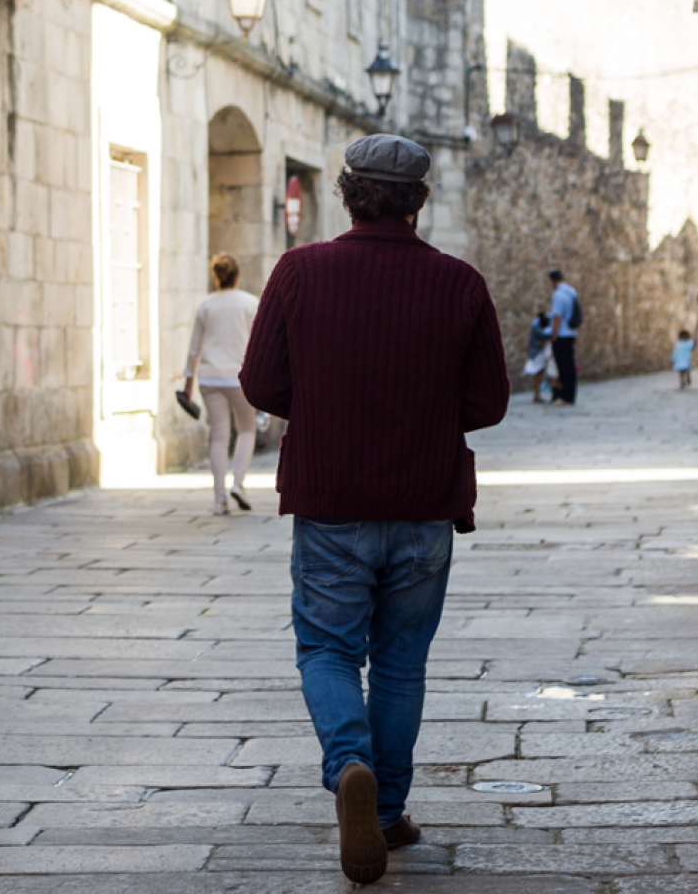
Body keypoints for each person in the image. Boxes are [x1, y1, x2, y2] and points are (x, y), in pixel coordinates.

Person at [240, 134, 509, 884]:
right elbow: (489, 402)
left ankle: (348, 763)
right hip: (424, 503)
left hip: (331, 500)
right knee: (399, 662)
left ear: (345, 194)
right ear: (420, 201)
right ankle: (385, 811)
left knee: (328, 649)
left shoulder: (300, 271)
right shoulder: (460, 284)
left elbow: (261, 383)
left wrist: (325, 409)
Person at [183, 253, 261, 515]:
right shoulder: (250, 303)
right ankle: (238, 483)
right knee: (247, 429)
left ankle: (219, 500)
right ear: (237, 275)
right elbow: (259, 344)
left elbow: (195, 348)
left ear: (216, 277)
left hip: (210, 376)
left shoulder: (206, 305)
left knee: (219, 435)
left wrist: (188, 382)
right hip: (240, 376)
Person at [546, 269, 580, 406]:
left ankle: (564, 396)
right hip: (571, 333)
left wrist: (553, 335)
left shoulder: (559, 295)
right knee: (570, 366)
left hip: (562, 334)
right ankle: (570, 395)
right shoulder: (571, 292)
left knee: (563, 366)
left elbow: (557, 316)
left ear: (552, 280)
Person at [523, 309, 559, 403]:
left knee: (542, 374)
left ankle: (539, 395)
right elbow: (539, 341)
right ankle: (537, 395)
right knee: (539, 374)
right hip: (538, 353)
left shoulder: (543, 322)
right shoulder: (537, 326)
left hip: (540, 353)